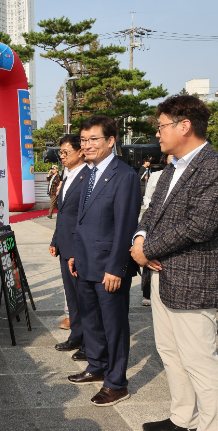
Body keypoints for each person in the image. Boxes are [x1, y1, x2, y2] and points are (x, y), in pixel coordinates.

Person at [131, 95, 218, 431]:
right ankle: (182, 417)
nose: (157, 134)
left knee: (200, 361)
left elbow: (200, 225)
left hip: (195, 280)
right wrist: (139, 240)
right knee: (171, 354)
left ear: (184, 126)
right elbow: (151, 213)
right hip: (162, 275)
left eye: (162, 126)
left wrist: (148, 251)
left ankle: (210, 427)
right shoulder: (169, 169)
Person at [66, 115, 140, 407]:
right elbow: (81, 220)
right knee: (92, 321)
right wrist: (74, 252)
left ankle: (116, 382)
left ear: (111, 141)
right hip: (84, 261)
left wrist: (116, 267)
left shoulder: (125, 175)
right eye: (83, 140)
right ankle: (96, 366)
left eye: (93, 139)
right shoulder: (88, 172)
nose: (87, 145)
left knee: (114, 326)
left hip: (108, 266)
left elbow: (125, 226)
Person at [50, 134, 87, 361]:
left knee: (84, 296)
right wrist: (55, 239)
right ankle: (76, 335)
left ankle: (89, 342)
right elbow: (62, 213)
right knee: (71, 295)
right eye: (60, 153)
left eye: (66, 152)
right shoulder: (67, 175)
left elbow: (84, 216)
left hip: (80, 245)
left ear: (80, 152)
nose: (62, 156)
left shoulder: (87, 177)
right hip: (65, 243)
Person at [140, 154, 173, 307]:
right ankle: (147, 293)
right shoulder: (158, 175)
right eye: (170, 156)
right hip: (153, 222)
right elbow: (148, 197)